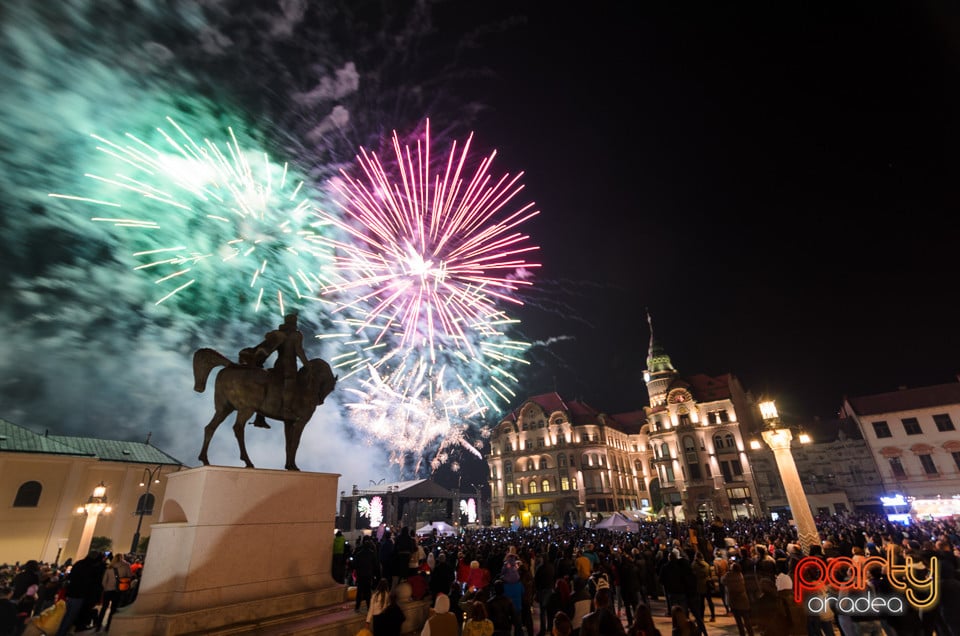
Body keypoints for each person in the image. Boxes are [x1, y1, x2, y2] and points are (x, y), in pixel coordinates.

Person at [245, 312, 309, 422]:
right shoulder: (296, 335)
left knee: (269, 384)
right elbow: (299, 351)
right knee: (291, 385)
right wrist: (307, 365)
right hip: (290, 367)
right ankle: (286, 409)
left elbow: (271, 348)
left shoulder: (279, 334)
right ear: (294, 323)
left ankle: (260, 416)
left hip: (278, 365)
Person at [55, 549, 105, 636]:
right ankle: (62, 633)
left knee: (66, 615)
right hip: (80, 595)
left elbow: (70, 577)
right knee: (71, 616)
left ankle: (60, 632)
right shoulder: (93, 567)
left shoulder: (79, 564)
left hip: (71, 592)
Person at [96, 552, 132, 632]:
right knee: (113, 609)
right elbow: (130, 576)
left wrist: (106, 588)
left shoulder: (110, 567)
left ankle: (98, 626)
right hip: (118, 590)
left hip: (108, 590)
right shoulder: (126, 566)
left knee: (104, 608)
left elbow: (104, 581)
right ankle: (108, 626)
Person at [721, 561, 754, 636]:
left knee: (739, 622)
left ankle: (742, 634)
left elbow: (722, 580)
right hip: (743, 601)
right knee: (747, 621)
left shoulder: (729, 575)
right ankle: (751, 634)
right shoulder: (740, 575)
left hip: (734, 601)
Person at [353, 535, 379, 613]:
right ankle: (368, 607)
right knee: (368, 592)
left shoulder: (358, 553)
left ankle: (357, 607)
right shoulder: (372, 553)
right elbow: (375, 565)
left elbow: (355, 565)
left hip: (360, 575)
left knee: (359, 591)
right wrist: (376, 575)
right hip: (368, 575)